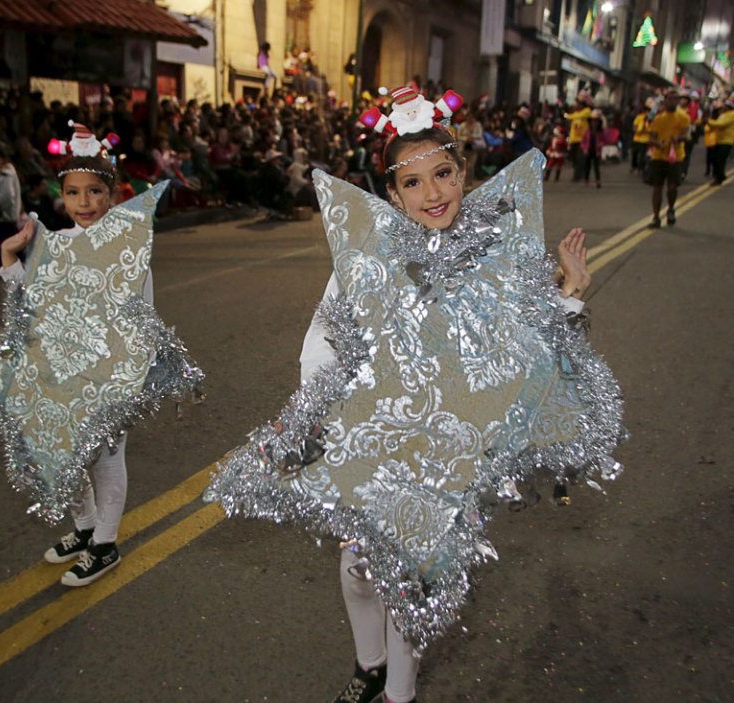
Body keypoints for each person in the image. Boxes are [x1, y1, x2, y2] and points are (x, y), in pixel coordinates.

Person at [206, 87, 622, 703]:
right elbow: (322, 346)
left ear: (463, 172)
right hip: (375, 440)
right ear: (392, 194)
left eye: (443, 174)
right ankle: (369, 666)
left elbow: (527, 354)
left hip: (445, 454)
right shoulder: (366, 258)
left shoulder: (496, 252)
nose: (433, 194)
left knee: (409, 584)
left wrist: (568, 294)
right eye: (413, 182)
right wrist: (324, 424)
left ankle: (400, 694)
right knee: (357, 571)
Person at [0, 126, 204, 587]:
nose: (84, 202)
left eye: (95, 191)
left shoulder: (129, 251)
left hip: (109, 373)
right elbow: (30, 306)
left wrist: (125, 374)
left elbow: (141, 316)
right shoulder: (53, 244)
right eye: (73, 192)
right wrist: (10, 258)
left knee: (106, 458)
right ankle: (87, 528)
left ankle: (106, 543)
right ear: (62, 196)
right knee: (64, 452)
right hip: (61, 373)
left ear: (112, 195)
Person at [647, 89, 690, 227]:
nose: (672, 101)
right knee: (657, 187)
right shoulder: (658, 118)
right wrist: (657, 144)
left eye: (675, 99)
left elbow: (685, 135)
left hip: (675, 157)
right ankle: (656, 216)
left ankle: (671, 209)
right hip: (658, 156)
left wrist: (677, 138)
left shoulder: (683, 117)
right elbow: (651, 137)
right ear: (665, 101)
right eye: (670, 99)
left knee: (672, 187)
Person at [0, 141, 23, 273]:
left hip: (5, 215)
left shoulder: (5, 175)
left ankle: (1, 265)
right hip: (7, 215)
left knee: (3, 242)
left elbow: (7, 196)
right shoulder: (5, 174)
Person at [707, 97, 734, 186]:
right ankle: (719, 176)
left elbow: (722, 124)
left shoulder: (733, 115)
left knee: (720, 160)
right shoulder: (723, 115)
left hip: (726, 141)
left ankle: (719, 177)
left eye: (724, 106)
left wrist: (709, 122)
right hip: (719, 141)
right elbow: (716, 124)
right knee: (715, 160)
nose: (722, 108)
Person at [565, 92, 593, 181]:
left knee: (580, 158)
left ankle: (577, 175)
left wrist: (568, 116)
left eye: (578, 103)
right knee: (574, 158)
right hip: (574, 139)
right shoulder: (575, 113)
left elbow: (577, 116)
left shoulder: (587, 111)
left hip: (583, 140)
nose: (577, 105)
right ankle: (579, 173)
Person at [580, 110, 608, 188]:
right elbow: (583, 141)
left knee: (596, 167)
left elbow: (604, 141)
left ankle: (598, 180)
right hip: (588, 151)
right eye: (593, 121)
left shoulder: (600, 132)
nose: (594, 123)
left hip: (596, 152)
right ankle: (586, 179)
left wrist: (600, 145)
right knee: (587, 166)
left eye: (596, 122)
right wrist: (584, 149)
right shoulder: (588, 132)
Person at [631, 101, 652, 174]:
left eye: (648, 111)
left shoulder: (650, 119)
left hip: (645, 140)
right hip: (637, 139)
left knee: (643, 155)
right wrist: (638, 130)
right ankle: (634, 166)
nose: (647, 112)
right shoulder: (639, 117)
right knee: (635, 154)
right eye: (646, 111)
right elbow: (634, 127)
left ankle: (641, 168)